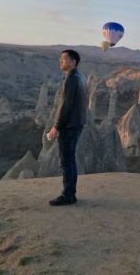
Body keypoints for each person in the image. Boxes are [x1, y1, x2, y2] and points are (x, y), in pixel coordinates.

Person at [47, 50, 87, 206]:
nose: (60, 62)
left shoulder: (71, 79)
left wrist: (56, 127)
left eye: (63, 59)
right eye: (60, 59)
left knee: (67, 162)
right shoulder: (81, 77)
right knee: (70, 160)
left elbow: (66, 106)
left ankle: (68, 195)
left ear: (73, 62)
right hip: (77, 124)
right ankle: (71, 193)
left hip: (69, 126)